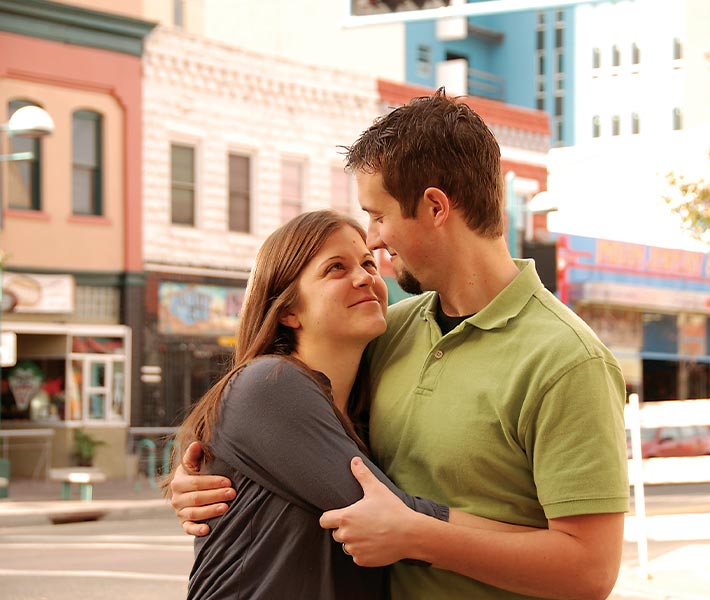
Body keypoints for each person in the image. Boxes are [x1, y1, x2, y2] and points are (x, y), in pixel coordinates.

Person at [170, 90, 629, 600]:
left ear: (434, 206)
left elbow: (590, 572)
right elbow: (275, 401)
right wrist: (199, 470)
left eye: (378, 215)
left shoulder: (567, 360)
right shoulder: (388, 330)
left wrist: (421, 535)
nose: (373, 241)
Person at [165, 210, 455, 599]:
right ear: (288, 310)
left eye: (369, 263)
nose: (365, 277)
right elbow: (396, 517)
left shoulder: (363, 409)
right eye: (336, 268)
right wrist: (537, 539)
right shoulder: (270, 384)